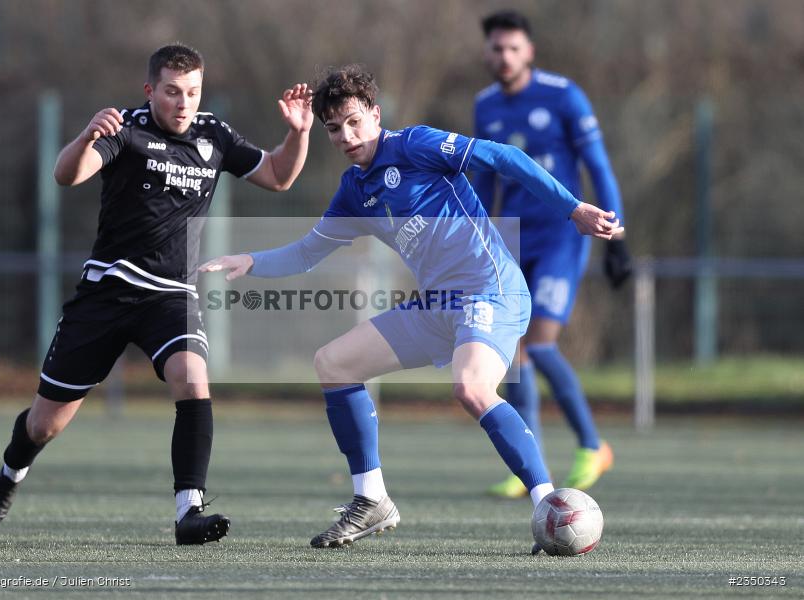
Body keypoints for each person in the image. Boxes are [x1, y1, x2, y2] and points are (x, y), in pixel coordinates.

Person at [201, 64, 621, 550]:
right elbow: (306, 252)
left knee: (471, 387)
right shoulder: (355, 192)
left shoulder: (415, 145)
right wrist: (248, 260)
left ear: (375, 115)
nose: (346, 135)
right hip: (437, 305)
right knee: (333, 364)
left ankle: (547, 504)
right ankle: (372, 500)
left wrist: (573, 208)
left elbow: (504, 156)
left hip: (492, 291)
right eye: (334, 129)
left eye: (355, 122)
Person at [0, 43, 314, 545]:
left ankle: (188, 511)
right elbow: (66, 174)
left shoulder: (213, 135)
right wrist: (87, 135)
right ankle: (9, 473)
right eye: (173, 92)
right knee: (45, 425)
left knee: (192, 377)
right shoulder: (126, 128)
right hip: (107, 292)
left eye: (193, 93)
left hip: (171, 296)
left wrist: (298, 133)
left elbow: (279, 177)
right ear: (150, 89)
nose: (183, 103)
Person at [474, 11, 631, 499]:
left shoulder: (564, 96)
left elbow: (597, 166)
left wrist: (617, 234)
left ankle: (591, 445)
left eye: (513, 48)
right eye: (497, 48)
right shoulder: (485, 106)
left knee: (539, 344)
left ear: (530, 51)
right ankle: (531, 466)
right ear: (489, 52)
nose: (504, 57)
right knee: (516, 355)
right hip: (512, 241)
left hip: (563, 235)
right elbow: (481, 183)